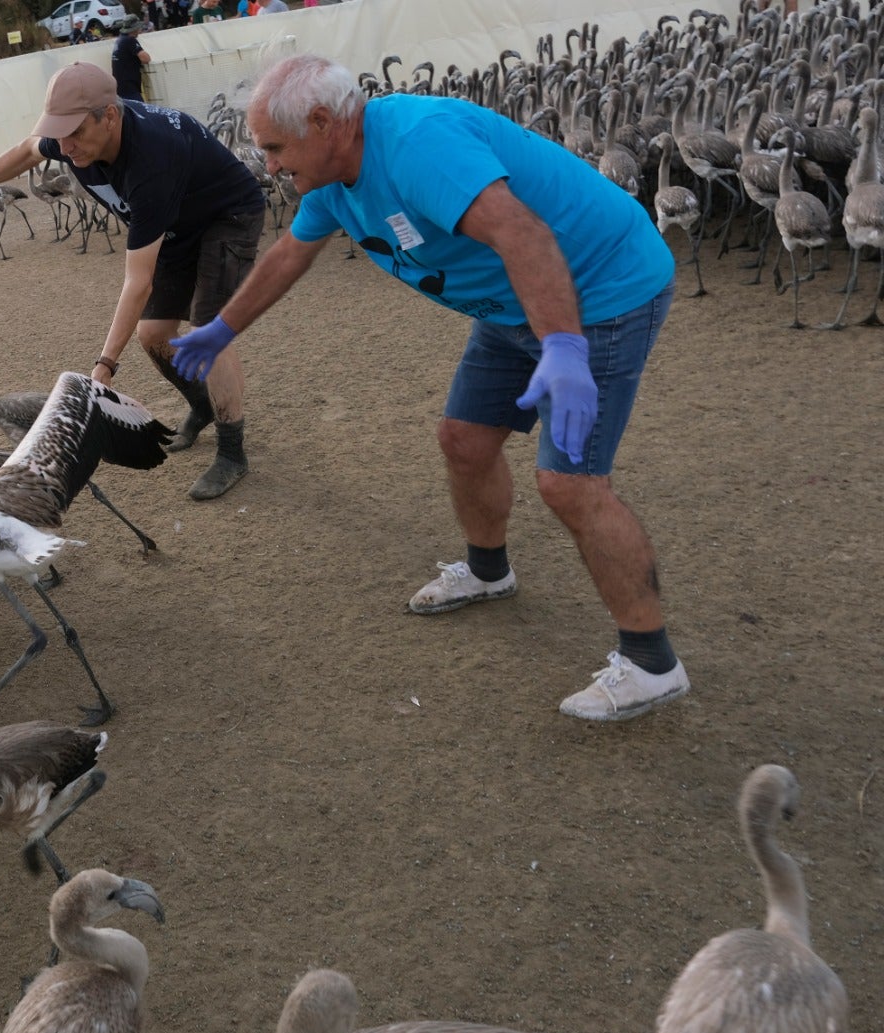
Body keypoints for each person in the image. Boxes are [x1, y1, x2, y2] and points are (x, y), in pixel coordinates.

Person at [169, 54, 687, 721]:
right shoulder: (331, 177)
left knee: (571, 483)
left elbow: (521, 232)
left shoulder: (417, 146)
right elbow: (289, 255)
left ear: (324, 122)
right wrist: (221, 329)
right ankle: (487, 570)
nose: (268, 165)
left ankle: (652, 663)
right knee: (464, 440)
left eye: (274, 147)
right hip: (511, 304)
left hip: (603, 289)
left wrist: (562, 347)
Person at [0, 63, 265, 500]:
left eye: (77, 134)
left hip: (227, 215)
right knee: (153, 333)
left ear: (110, 116)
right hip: (178, 223)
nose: (66, 146)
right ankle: (202, 406)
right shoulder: (71, 139)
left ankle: (233, 452)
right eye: (60, 135)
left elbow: (137, 281)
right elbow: (29, 150)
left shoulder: (152, 161)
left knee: (207, 330)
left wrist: (104, 366)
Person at [111, 16, 151, 103]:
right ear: (134, 29)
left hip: (120, 85)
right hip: (129, 86)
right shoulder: (130, 40)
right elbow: (146, 58)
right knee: (140, 111)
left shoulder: (120, 39)